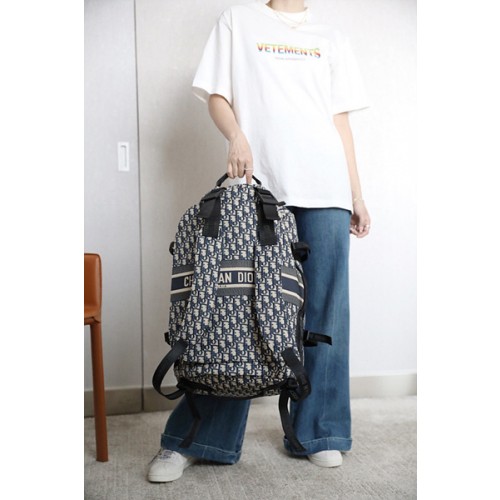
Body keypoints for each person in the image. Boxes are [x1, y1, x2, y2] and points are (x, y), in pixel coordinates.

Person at [148, 0, 371, 483]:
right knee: (235, 308)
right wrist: (235, 136)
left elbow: (340, 123)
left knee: (326, 312)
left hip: (326, 186)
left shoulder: (331, 37)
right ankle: (198, 438)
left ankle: (319, 433)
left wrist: (355, 193)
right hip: (259, 183)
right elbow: (217, 94)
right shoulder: (238, 20)